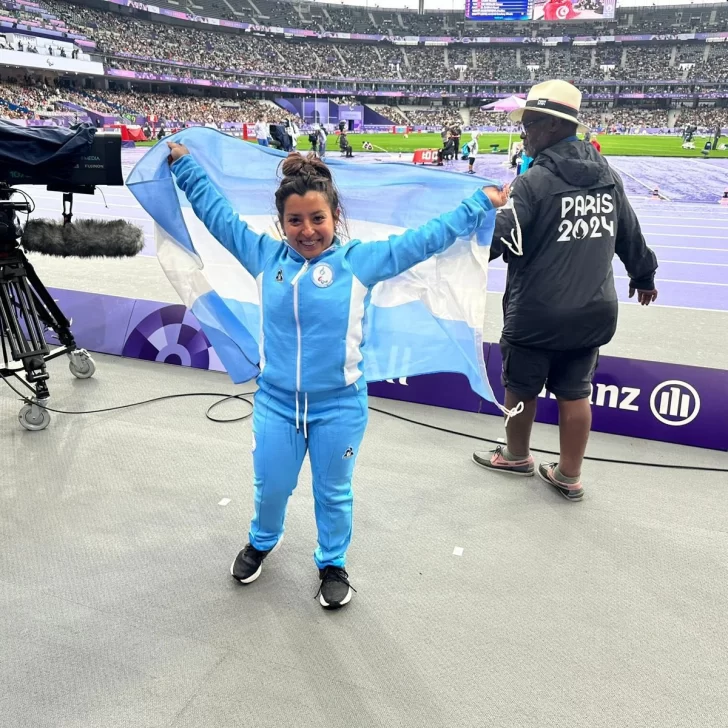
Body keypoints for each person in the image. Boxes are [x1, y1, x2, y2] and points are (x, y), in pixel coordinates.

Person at [166, 141, 507, 608]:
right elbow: (216, 214)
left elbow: (426, 238)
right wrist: (185, 166)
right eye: (295, 221)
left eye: (317, 219)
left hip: (339, 407)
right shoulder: (265, 257)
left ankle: (332, 562)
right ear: (282, 222)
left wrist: (477, 203)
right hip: (276, 404)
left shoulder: (359, 262)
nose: (307, 231)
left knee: (333, 491)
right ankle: (262, 540)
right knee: (272, 486)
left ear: (334, 216)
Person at [472, 80, 658, 501]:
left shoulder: (531, 183)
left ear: (552, 127)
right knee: (576, 392)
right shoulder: (606, 174)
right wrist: (644, 276)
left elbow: (497, 242)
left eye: (529, 126)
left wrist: (458, 250)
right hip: (593, 310)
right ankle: (569, 475)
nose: (525, 135)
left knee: (520, 388)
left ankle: (517, 456)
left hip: (536, 313)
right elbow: (628, 230)